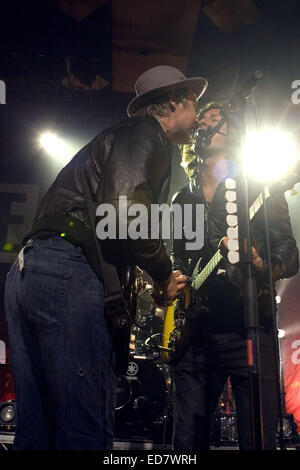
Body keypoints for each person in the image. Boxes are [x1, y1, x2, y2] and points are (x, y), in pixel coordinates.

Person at [4, 65, 207, 450]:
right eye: (195, 104)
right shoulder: (146, 133)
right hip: (69, 274)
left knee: (36, 432)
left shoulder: (118, 138)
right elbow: (127, 215)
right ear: (174, 103)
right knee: (85, 433)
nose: (198, 118)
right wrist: (163, 273)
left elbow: (109, 223)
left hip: (31, 272)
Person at [170, 100, 299, 450]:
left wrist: (260, 262)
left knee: (256, 440)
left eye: (219, 119)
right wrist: (174, 278)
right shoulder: (184, 198)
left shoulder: (259, 189)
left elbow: (289, 252)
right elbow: (178, 257)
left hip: (249, 329)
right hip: (197, 333)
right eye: (205, 121)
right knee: (186, 441)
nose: (210, 124)